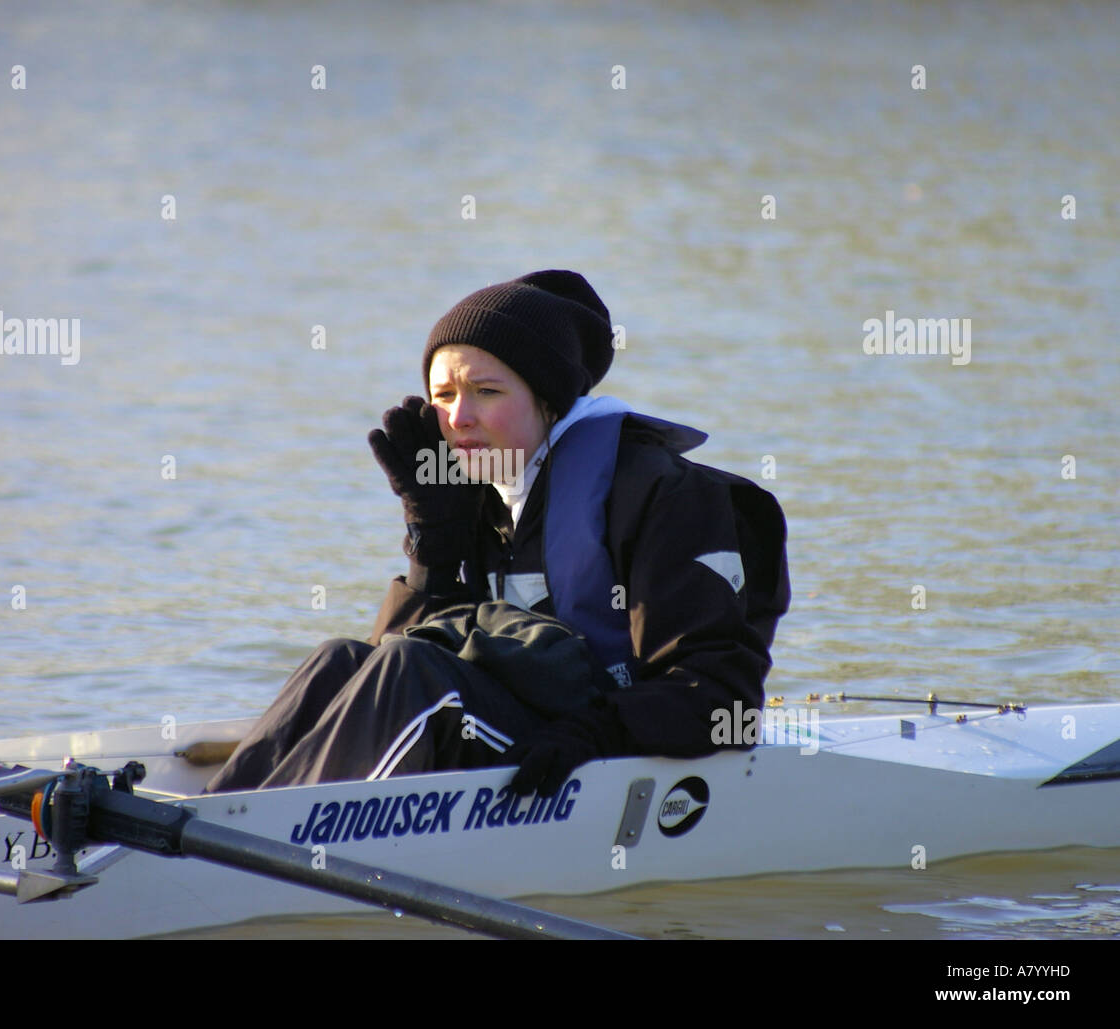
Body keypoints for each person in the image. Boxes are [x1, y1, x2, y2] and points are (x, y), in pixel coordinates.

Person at [206, 270, 790, 796]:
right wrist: (433, 541)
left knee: (411, 669)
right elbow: (396, 662)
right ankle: (218, 820)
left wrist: (590, 735)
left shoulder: (665, 495)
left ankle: (262, 853)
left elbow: (723, 697)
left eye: (486, 392)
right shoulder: (483, 495)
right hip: (512, 721)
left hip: (593, 754)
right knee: (339, 659)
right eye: (444, 396)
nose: (459, 419)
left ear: (549, 401)